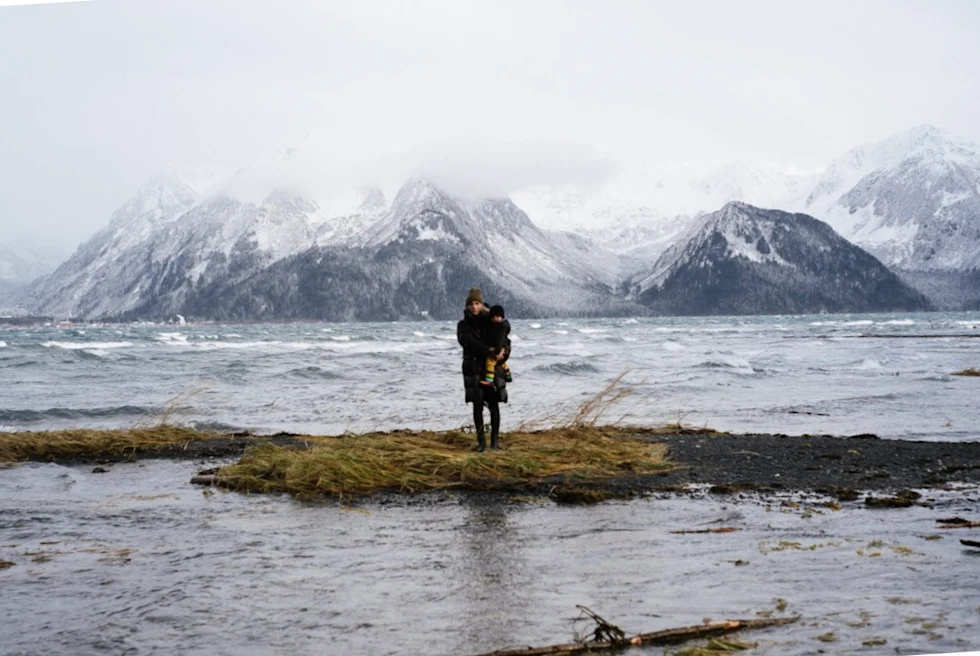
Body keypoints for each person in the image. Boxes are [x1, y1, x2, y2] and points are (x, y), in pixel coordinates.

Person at [456, 287, 508, 452]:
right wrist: (490, 351)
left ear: (481, 304)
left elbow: (505, 340)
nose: (474, 307)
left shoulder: (492, 321)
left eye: (477, 303)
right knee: (477, 405)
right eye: (470, 304)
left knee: (493, 404)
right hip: (473, 368)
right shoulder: (463, 325)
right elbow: (468, 342)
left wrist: (503, 354)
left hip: (491, 369)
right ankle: (481, 443)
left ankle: (494, 442)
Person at [481, 304, 512, 388]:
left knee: (490, 363)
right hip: (500, 349)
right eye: (494, 317)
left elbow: (501, 340)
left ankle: (489, 380)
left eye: (498, 317)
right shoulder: (499, 326)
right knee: (502, 363)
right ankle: (508, 375)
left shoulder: (500, 327)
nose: (495, 319)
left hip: (498, 349)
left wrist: (497, 351)